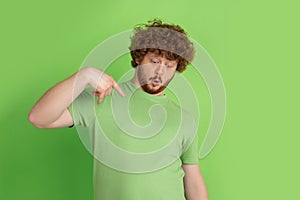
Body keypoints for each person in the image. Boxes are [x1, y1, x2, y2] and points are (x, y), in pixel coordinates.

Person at [29, 19, 209, 200]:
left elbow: (193, 179)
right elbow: (39, 118)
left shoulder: (184, 118)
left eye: (170, 66)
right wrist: (83, 76)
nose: (160, 72)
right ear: (139, 57)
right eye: (154, 61)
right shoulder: (101, 99)